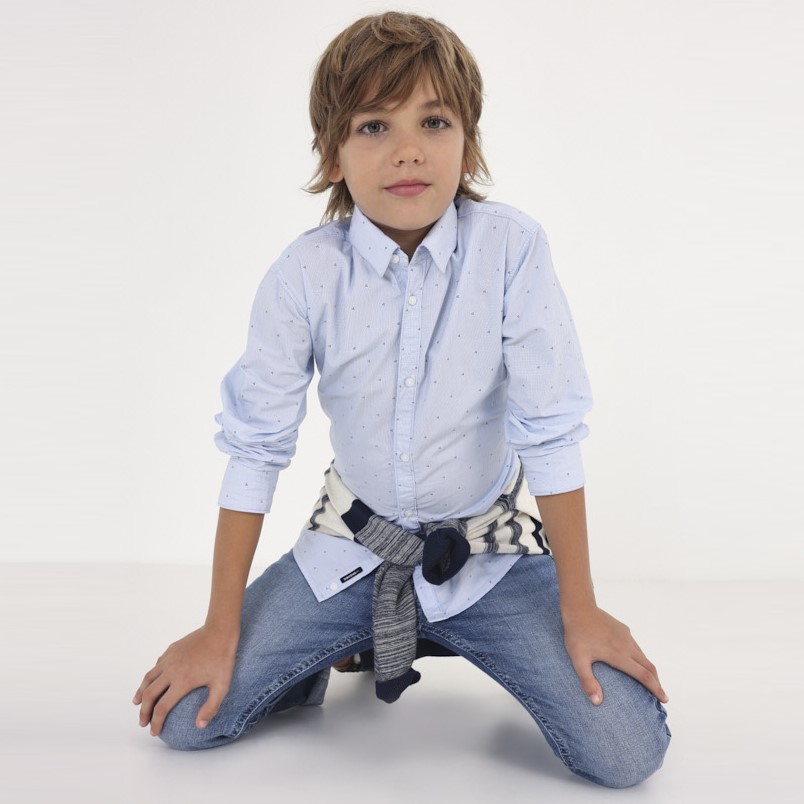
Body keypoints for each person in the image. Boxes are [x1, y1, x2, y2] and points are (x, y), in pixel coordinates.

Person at [132, 11, 671, 787]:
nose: (409, 149)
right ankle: (341, 640)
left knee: (625, 752)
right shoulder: (305, 275)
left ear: (469, 143)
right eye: (375, 125)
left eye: (435, 121)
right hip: (355, 550)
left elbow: (551, 432)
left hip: (487, 558)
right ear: (333, 152)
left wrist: (580, 610)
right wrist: (220, 629)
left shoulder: (512, 250)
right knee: (188, 719)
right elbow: (255, 447)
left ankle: (439, 628)